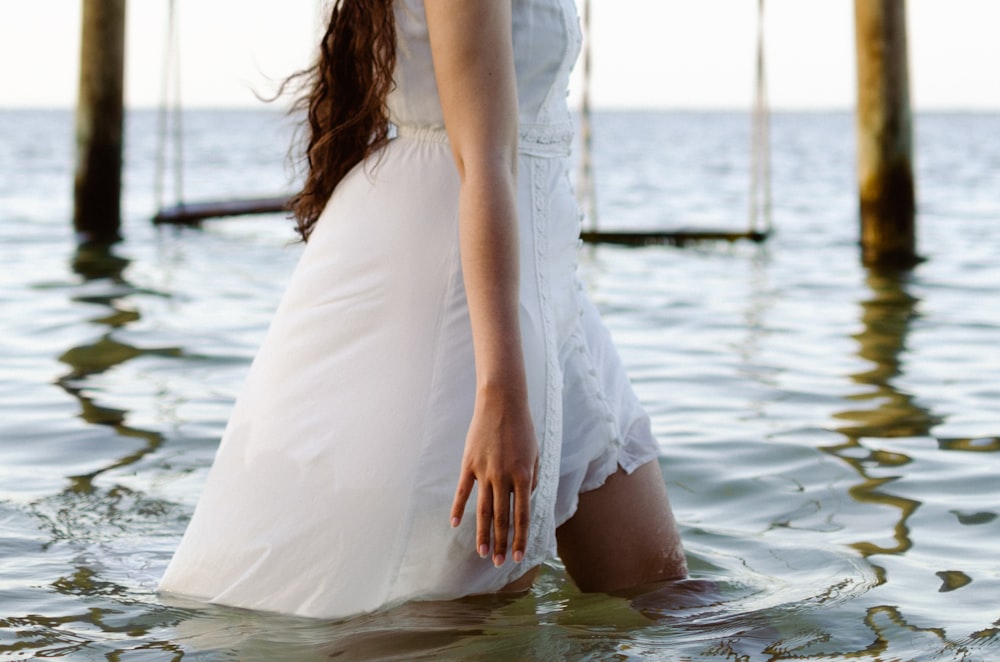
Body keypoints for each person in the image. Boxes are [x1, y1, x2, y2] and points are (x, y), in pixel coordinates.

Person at [158, 0, 687, 620]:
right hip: (457, 284)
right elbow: (483, 161)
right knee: (456, 616)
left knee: (662, 594)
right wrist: (500, 395)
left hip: (540, 278)